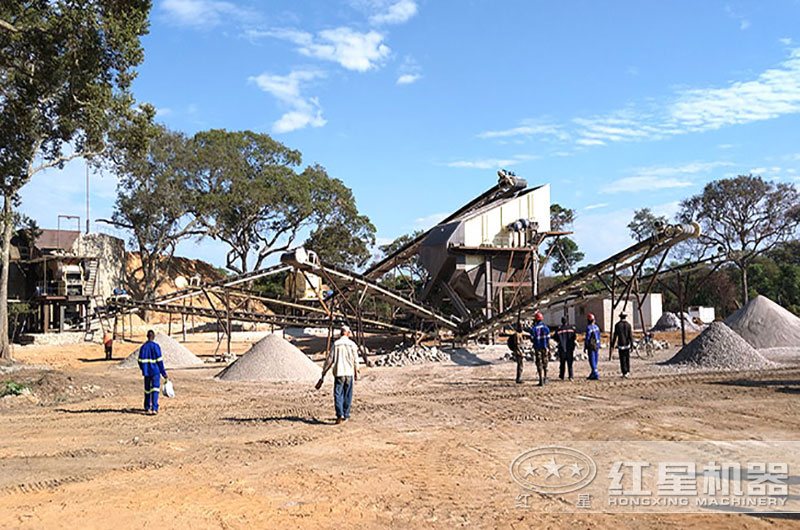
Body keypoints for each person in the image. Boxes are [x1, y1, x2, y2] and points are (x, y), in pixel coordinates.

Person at [316, 325, 360, 424]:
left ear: (341, 333)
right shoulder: (352, 345)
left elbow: (329, 360)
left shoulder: (336, 344)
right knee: (348, 394)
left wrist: (323, 373)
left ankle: (339, 414)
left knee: (338, 394)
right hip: (349, 373)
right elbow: (356, 360)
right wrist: (356, 372)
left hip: (339, 372)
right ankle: (346, 414)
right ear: (348, 333)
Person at [138, 330, 168, 415]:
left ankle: (147, 407)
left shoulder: (143, 347)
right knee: (155, 389)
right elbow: (159, 361)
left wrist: (143, 368)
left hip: (146, 372)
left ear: (147, 336)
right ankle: (154, 408)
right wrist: (163, 373)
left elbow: (139, 361)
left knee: (147, 390)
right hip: (155, 371)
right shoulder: (156, 346)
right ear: (154, 337)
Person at [552, 316, 577, 381]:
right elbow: (574, 337)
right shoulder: (571, 329)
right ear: (567, 321)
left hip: (562, 349)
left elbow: (555, 338)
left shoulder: (559, 330)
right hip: (570, 349)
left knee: (562, 363)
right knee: (570, 363)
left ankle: (562, 376)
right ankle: (571, 376)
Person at [530, 313, 550, 386]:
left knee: (539, 363)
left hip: (537, 348)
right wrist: (549, 348)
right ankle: (545, 378)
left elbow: (532, 339)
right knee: (545, 363)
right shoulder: (546, 328)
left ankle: (541, 380)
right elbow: (548, 339)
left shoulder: (534, 329)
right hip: (545, 347)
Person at [611, 312, 633, 378]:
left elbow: (615, 336)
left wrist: (612, 344)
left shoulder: (617, 325)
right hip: (627, 344)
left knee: (622, 359)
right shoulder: (628, 325)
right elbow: (630, 336)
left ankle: (624, 372)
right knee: (627, 358)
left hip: (621, 344)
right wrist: (632, 344)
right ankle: (628, 371)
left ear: (620, 317)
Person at [584, 314, 601, 380]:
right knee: (595, 359)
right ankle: (592, 374)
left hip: (591, 346)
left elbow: (587, 338)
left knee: (592, 360)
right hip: (597, 345)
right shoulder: (597, 327)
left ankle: (596, 373)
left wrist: (585, 347)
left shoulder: (589, 328)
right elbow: (599, 336)